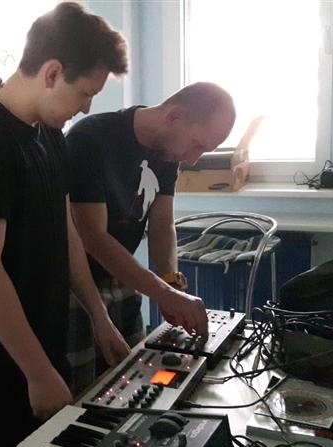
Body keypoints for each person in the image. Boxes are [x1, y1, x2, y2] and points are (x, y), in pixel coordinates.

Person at [0, 3, 130, 447]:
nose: (87, 107)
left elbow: (66, 231)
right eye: (85, 93)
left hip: (36, 342)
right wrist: (37, 371)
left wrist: (100, 318)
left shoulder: (48, 131)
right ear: (52, 73)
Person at [64, 82, 236, 393]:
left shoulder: (167, 153)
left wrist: (170, 282)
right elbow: (93, 237)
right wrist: (162, 292)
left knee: (130, 383)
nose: (193, 159)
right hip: (75, 287)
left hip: (123, 278)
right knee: (81, 391)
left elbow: (162, 225)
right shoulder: (90, 138)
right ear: (175, 116)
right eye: (197, 145)